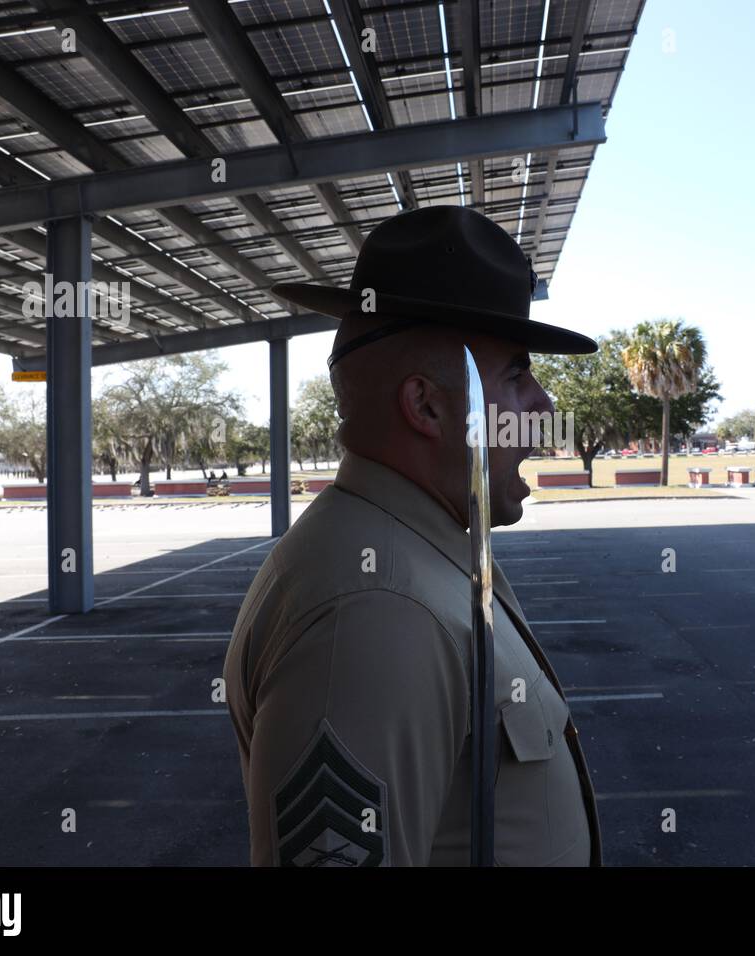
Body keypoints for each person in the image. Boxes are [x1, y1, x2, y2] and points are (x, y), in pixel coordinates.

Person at [223, 206, 601, 866]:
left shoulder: (418, 550)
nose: (542, 404)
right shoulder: (375, 611)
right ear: (426, 405)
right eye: (516, 372)